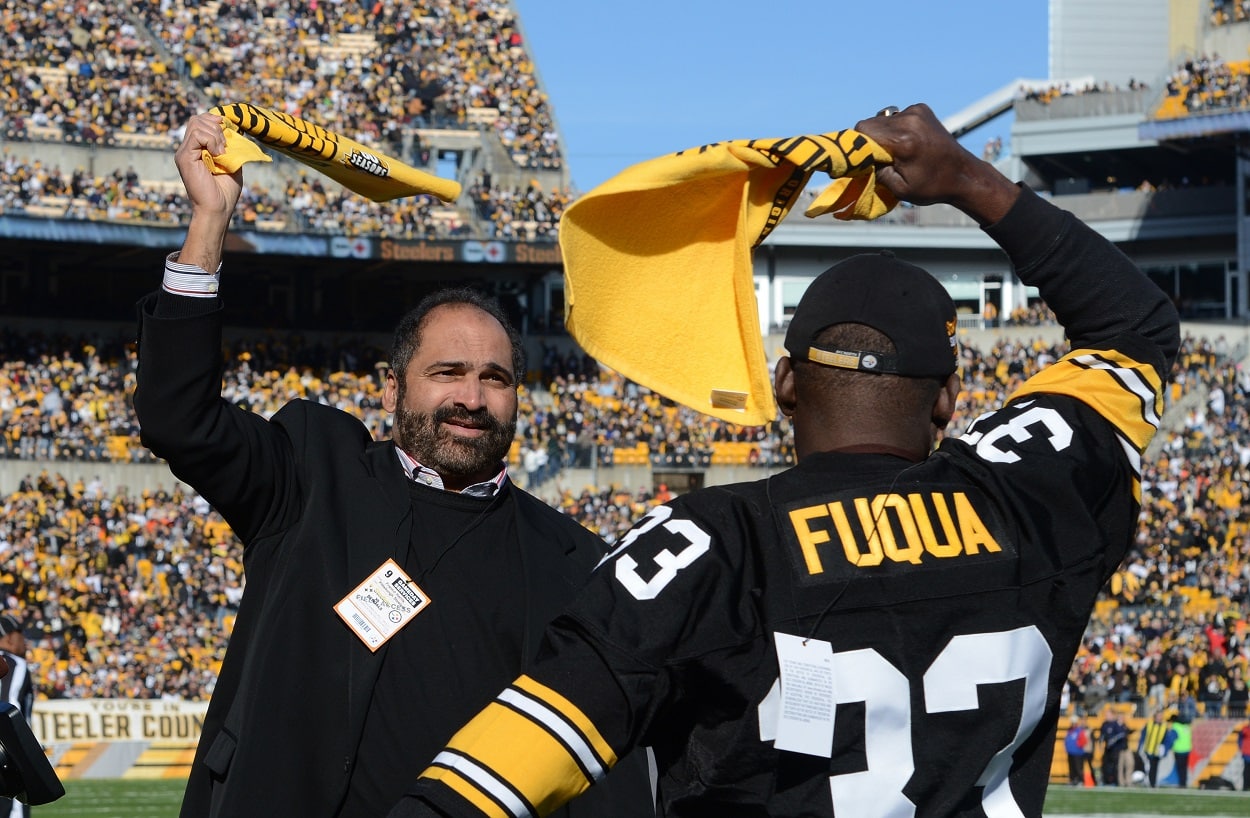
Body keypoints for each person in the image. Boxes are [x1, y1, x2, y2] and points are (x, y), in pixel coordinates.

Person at [385, 102, 1180, 817]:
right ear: (945, 400)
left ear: (786, 383)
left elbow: (496, 776)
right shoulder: (1028, 492)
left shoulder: (710, 546)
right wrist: (968, 178)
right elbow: (1135, 328)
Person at [132, 113, 653, 818]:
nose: (471, 398)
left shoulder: (570, 559)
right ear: (391, 388)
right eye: (448, 372)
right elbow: (177, 416)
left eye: (494, 379)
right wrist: (209, 220)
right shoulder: (311, 474)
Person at [0, 613, 33, 818]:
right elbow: (9, 705)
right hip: (7, 760)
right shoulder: (13, 664)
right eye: (21, 635)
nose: (25, 642)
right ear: (10, 637)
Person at [1139, 710, 1176, 788]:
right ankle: (1147, 782)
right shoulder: (1149, 724)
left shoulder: (1164, 727)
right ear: (1155, 716)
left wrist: (1164, 749)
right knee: (1148, 767)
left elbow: (1167, 740)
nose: (1160, 717)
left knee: (1154, 768)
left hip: (1157, 752)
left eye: (1161, 716)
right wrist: (1140, 746)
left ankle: (1152, 783)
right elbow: (1143, 736)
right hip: (1148, 750)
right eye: (1158, 716)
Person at [1098, 707, 1132, 787]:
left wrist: (1113, 740)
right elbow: (1102, 736)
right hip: (1108, 749)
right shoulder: (1105, 724)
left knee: (1117, 766)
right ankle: (1106, 781)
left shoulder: (1117, 724)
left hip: (1116, 749)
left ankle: (1117, 781)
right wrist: (1100, 744)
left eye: (1108, 714)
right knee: (1105, 765)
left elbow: (1123, 734)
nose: (1106, 716)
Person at [1064, 715, 1092, 785]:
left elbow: (1084, 741)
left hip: (1078, 753)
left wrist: (1078, 745)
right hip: (1070, 752)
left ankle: (1080, 780)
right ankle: (1073, 780)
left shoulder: (1079, 731)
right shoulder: (1069, 730)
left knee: (1078, 768)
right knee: (1072, 768)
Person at [1169, 711, 1192, 787]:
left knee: (1180, 768)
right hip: (1187, 750)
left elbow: (1172, 738)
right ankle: (1184, 783)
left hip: (1179, 750)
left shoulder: (1175, 727)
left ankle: (1181, 783)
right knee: (1184, 768)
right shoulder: (1186, 726)